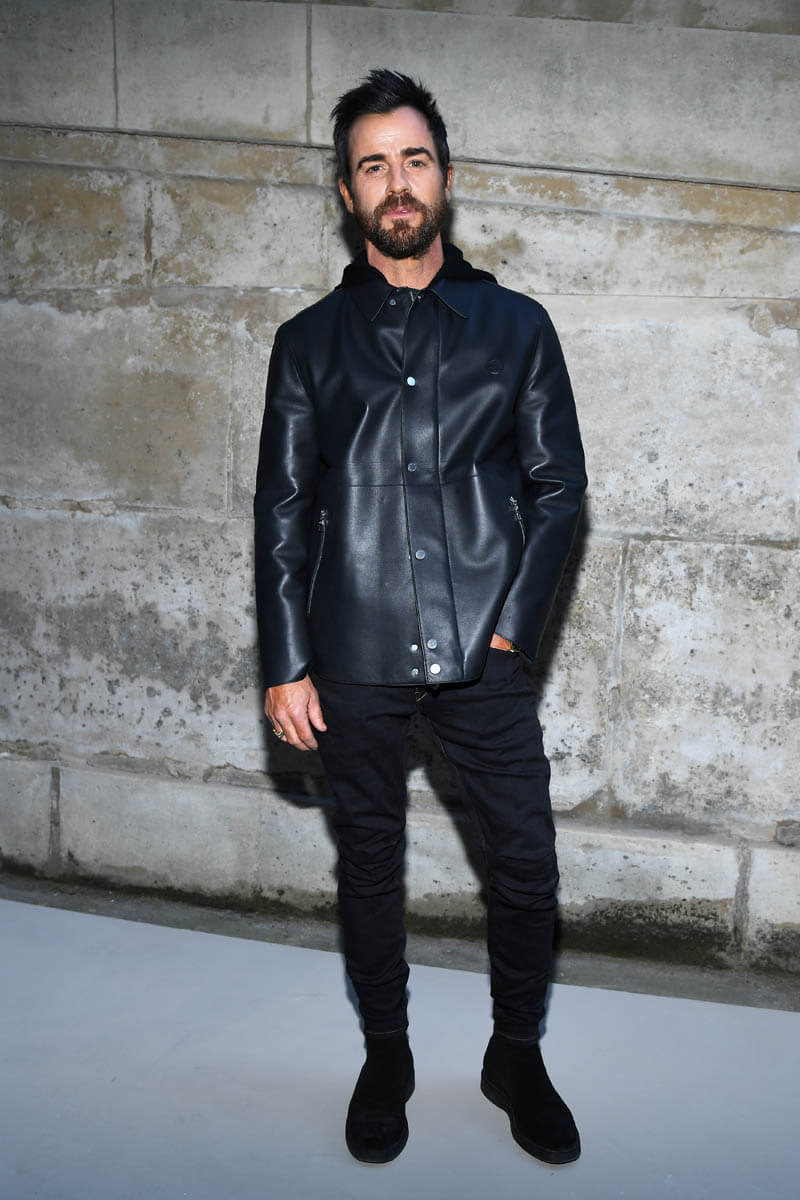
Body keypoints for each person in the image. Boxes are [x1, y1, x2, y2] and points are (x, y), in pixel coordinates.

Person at [253, 69, 587, 1166]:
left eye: (413, 159)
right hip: (348, 653)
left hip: (485, 654)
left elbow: (559, 489)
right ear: (346, 192)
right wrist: (286, 662)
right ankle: (386, 1056)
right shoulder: (307, 343)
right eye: (371, 165)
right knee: (367, 866)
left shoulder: (517, 327)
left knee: (527, 867)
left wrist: (513, 631)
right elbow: (283, 510)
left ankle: (514, 1056)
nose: (395, 183)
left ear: (443, 175)